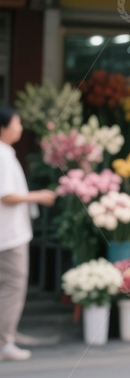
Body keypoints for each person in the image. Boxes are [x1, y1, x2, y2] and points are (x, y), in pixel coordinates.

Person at [0, 105, 57, 361]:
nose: (20, 127)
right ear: (4, 127)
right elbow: (7, 195)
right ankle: (4, 342)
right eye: (17, 123)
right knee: (13, 285)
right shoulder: (2, 155)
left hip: (9, 232)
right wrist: (41, 196)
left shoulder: (6, 153)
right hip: (9, 234)